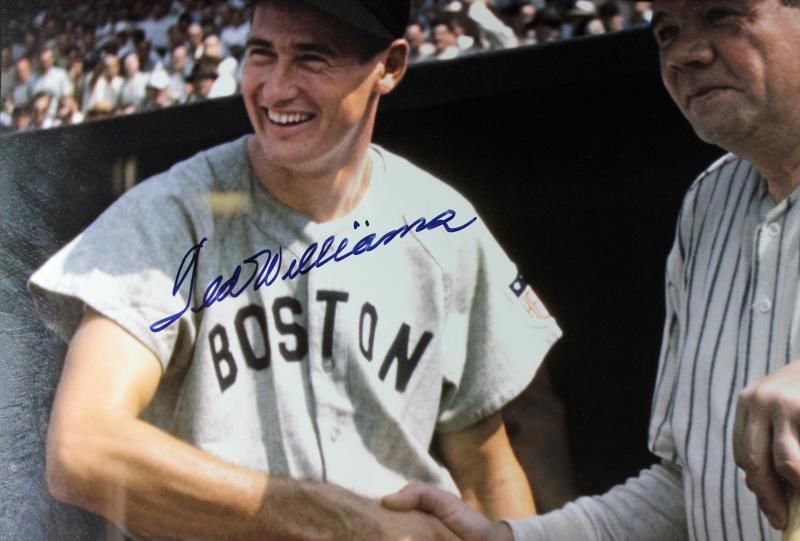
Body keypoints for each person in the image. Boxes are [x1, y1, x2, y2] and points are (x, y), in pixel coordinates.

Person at [28, 1, 562, 540]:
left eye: (312, 58)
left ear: (390, 67)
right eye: (262, 54)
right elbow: (82, 447)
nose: (277, 88)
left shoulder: (441, 226)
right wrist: (333, 520)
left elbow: (487, 472)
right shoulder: (174, 214)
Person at [383, 0, 800, 539]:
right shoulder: (708, 203)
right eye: (667, 32)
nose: (685, 54)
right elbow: (687, 485)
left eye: (722, 15)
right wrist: (511, 538)